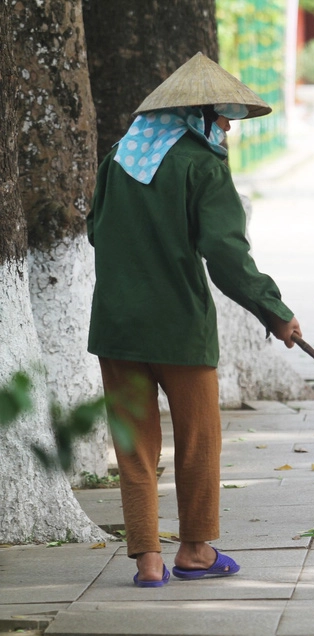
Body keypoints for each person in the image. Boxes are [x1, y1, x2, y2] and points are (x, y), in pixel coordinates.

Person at [86, 52, 301, 588]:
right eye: (222, 114)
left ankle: (147, 563)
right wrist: (274, 313)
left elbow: (95, 231)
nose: (227, 125)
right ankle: (196, 552)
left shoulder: (117, 159)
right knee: (198, 441)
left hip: (116, 328)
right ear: (199, 115)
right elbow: (226, 254)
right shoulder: (202, 165)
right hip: (180, 328)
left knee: (134, 448)